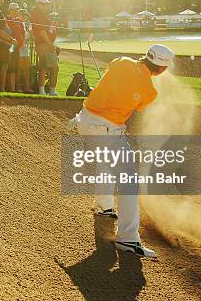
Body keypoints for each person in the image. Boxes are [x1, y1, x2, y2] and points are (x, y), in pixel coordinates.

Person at [71, 44, 175, 259]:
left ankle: (104, 206)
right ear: (162, 69)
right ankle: (128, 239)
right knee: (130, 181)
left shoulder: (122, 62)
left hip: (84, 120)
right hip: (106, 129)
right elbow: (138, 106)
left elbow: (116, 71)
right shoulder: (150, 91)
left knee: (106, 163)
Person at [31, 0, 58, 96]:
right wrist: (50, 44)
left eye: (46, 4)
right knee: (53, 68)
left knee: (44, 67)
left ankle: (43, 91)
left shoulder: (40, 14)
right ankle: (51, 91)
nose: (45, 6)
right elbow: (42, 31)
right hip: (44, 44)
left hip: (43, 43)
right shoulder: (38, 14)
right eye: (43, 4)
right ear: (38, 4)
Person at [6, 2, 24, 92]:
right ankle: (12, 88)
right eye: (13, 10)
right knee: (12, 67)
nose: (16, 11)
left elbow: (23, 33)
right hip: (10, 46)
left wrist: (21, 45)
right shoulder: (6, 19)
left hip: (18, 47)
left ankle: (17, 87)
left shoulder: (19, 21)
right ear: (9, 10)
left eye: (17, 9)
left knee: (17, 68)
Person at [17, 8, 33, 93]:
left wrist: (28, 38)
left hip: (24, 47)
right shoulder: (16, 23)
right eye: (22, 14)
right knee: (19, 67)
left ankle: (27, 87)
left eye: (25, 15)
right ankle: (18, 86)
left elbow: (29, 37)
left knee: (27, 67)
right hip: (18, 47)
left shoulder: (26, 24)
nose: (24, 16)